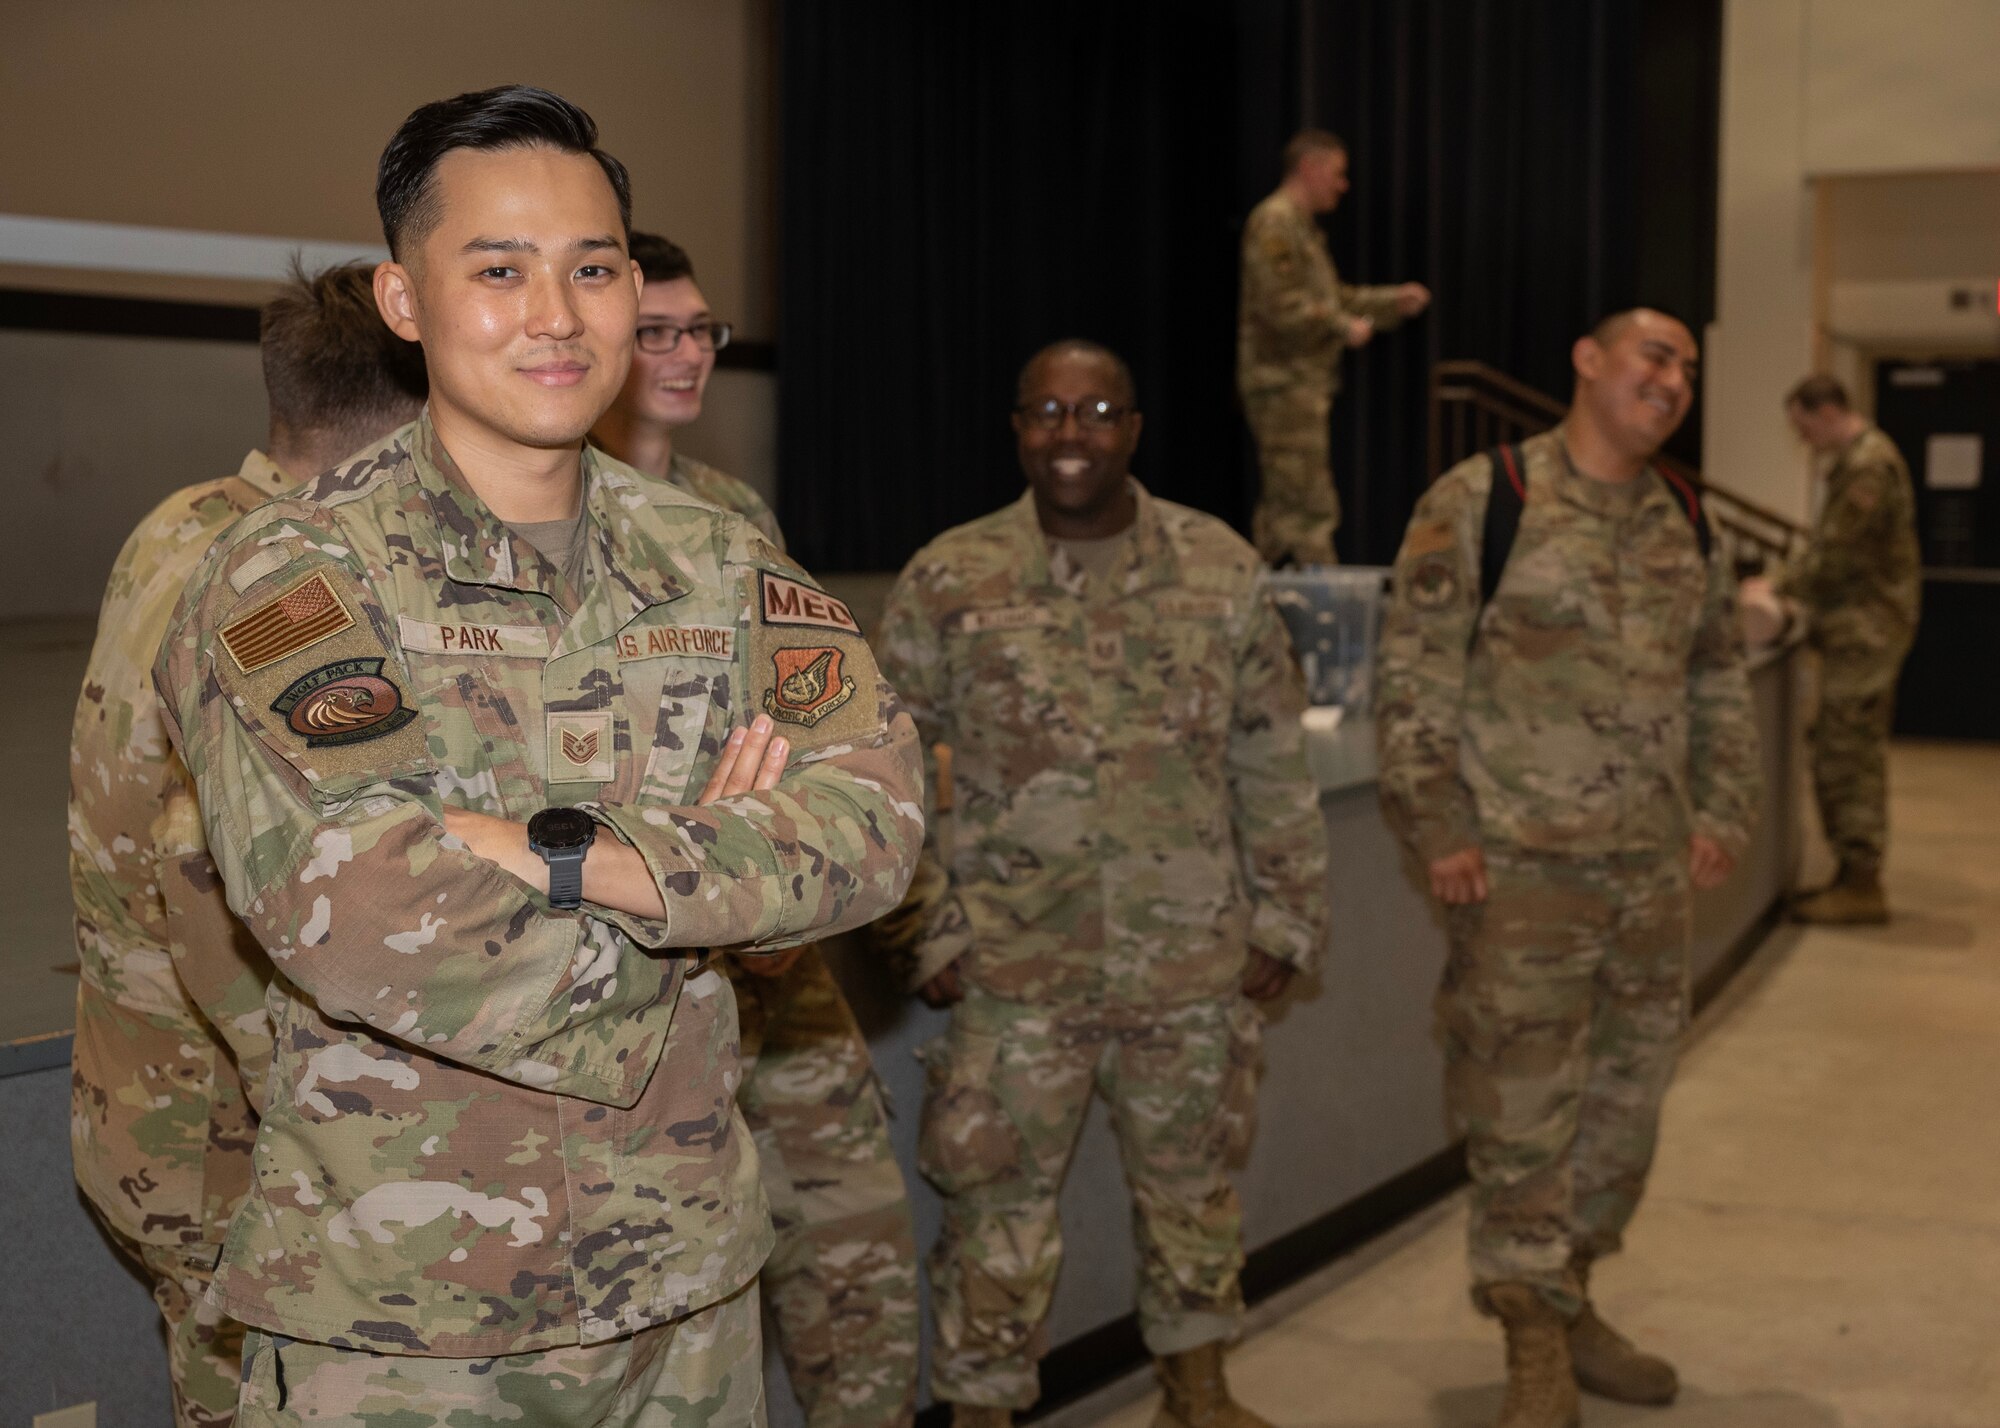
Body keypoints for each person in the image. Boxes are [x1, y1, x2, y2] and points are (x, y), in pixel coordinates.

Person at [153, 86, 923, 1427]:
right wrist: (720, 904)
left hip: (684, 1297)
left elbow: (878, 821)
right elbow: (361, 909)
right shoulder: (293, 578)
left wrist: (567, 855)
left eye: (594, 268)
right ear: (405, 301)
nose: (556, 314)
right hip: (409, 1327)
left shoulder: (718, 557)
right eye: (498, 270)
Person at [879, 340, 1329, 1428]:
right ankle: (982, 1410)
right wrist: (923, 933)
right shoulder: (951, 575)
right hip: (1010, 971)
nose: (1067, 432)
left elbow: (1270, 755)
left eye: (1093, 410)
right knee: (995, 1215)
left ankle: (1197, 1388)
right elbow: (872, 770)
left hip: (1190, 962)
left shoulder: (1217, 568)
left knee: (1193, 1193)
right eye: (1043, 410)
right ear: (1016, 428)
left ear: (1131, 429)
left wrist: (1285, 915)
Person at [1375, 309, 1760, 1428]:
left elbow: (1715, 679)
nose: (1672, 379)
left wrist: (1723, 808)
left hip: (1648, 877)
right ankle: (1529, 1333)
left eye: (1686, 366)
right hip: (1517, 877)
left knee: (1624, 1110)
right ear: (1585, 360)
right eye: (1653, 355)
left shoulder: (1685, 516)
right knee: (1520, 1105)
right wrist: (1437, 822)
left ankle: (1573, 1290)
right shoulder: (1484, 498)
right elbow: (1412, 674)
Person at [68, 259, 427, 1427]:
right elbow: (201, 864)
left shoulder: (181, 523)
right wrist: (360, 1162)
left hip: (155, 1112)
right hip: (250, 1148)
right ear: (414, 417)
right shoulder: (291, 590)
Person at [589, 231, 920, 1428]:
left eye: (701, 334)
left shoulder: (732, 515)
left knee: (858, 1254)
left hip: (780, 955)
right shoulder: (553, 509)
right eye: (657, 333)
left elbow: (822, 734)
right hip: (644, 977)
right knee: (672, 1299)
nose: (685, 358)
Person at [1747, 375, 1920, 924]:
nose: (1803, 440)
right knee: (1842, 746)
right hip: (1858, 627)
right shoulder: (1860, 460)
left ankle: (1862, 882)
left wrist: (1777, 586)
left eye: (1803, 427)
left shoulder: (1868, 466)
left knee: (1848, 753)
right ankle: (1853, 873)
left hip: (1866, 631)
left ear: (1825, 412)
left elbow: (1836, 556)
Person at [1237, 128, 1430, 567]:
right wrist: (1342, 327)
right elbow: (1278, 305)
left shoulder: (1300, 229)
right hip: (1283, 385)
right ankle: (1326, 621)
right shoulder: (1275, 221)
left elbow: (1333, 297)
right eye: (1338, 174)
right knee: (1307, 512)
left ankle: (1251, 604)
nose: (1343, 186)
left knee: (1282, 511)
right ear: (1310, 167)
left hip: (1299, 385)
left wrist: (1390, 303)